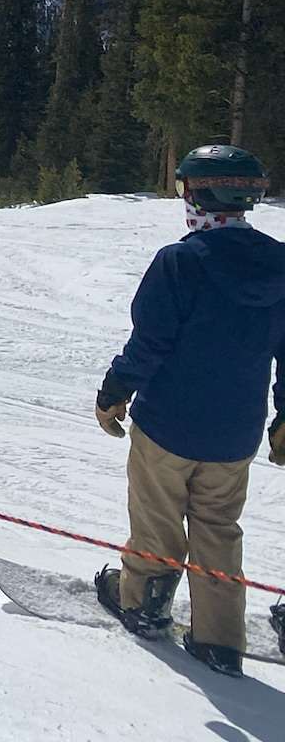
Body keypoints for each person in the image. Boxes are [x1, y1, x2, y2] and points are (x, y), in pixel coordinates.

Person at [92, 144, 285, 678]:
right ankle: (219, 638)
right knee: (218, 527)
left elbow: (149, 343)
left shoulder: (180, 262)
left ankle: (143, 603)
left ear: (198, 196)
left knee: (157, 520)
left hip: (167, 428)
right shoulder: (279, 265)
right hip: (234, 436)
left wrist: (114, 392)